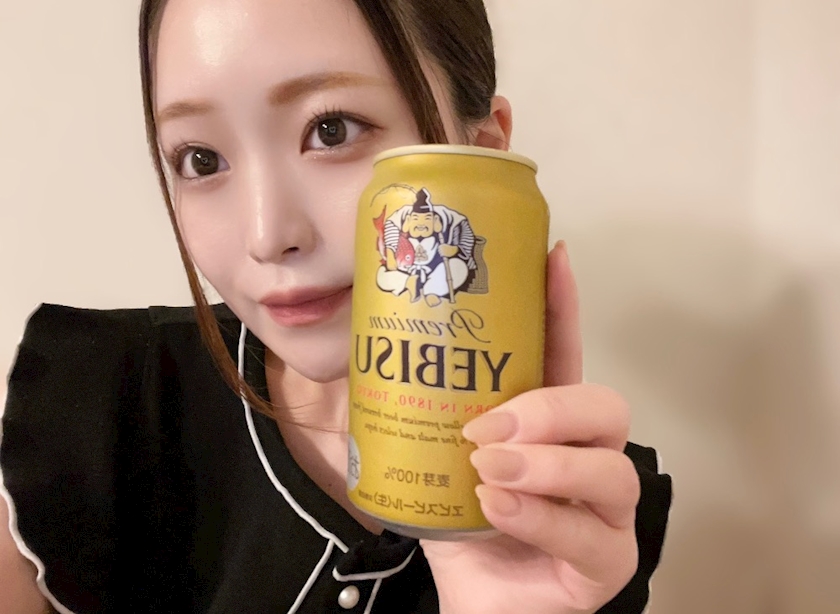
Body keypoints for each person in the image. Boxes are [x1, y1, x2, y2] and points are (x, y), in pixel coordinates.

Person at [0, 0, 672, 612]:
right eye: (201, 159)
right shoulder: (100, 402)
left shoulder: (575, 516)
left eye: (331, 129)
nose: (267, 236)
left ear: (481, 152)